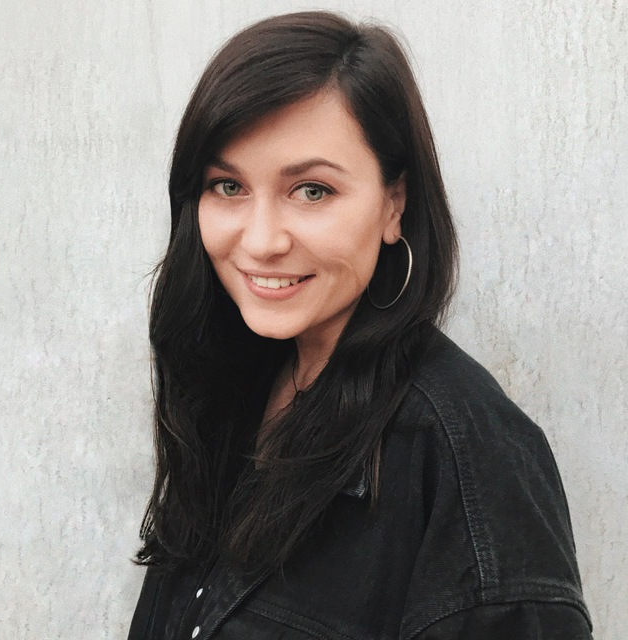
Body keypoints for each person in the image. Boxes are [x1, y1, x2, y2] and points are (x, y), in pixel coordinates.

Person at [128, 11, 593, 640]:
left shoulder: (466, 455)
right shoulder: (231, 382)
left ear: (393, 203)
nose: (261, 241)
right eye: (228, 185)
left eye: (312, 191)